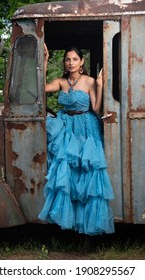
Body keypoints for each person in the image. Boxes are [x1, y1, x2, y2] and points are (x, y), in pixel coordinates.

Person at [38, 44, 115, 235]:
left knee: (87, 173)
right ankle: (67, 224)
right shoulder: (61, 82)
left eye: (74, 59)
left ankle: (86, 225)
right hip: (66, 127)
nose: (71, 62)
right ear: (65, 63)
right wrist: (45, 61)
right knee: (66, 173)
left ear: (81, 62)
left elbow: (96, 109)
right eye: (67, 59)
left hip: (86, 128)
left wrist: (99, 83)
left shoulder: (89, 81)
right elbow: (39, 89)